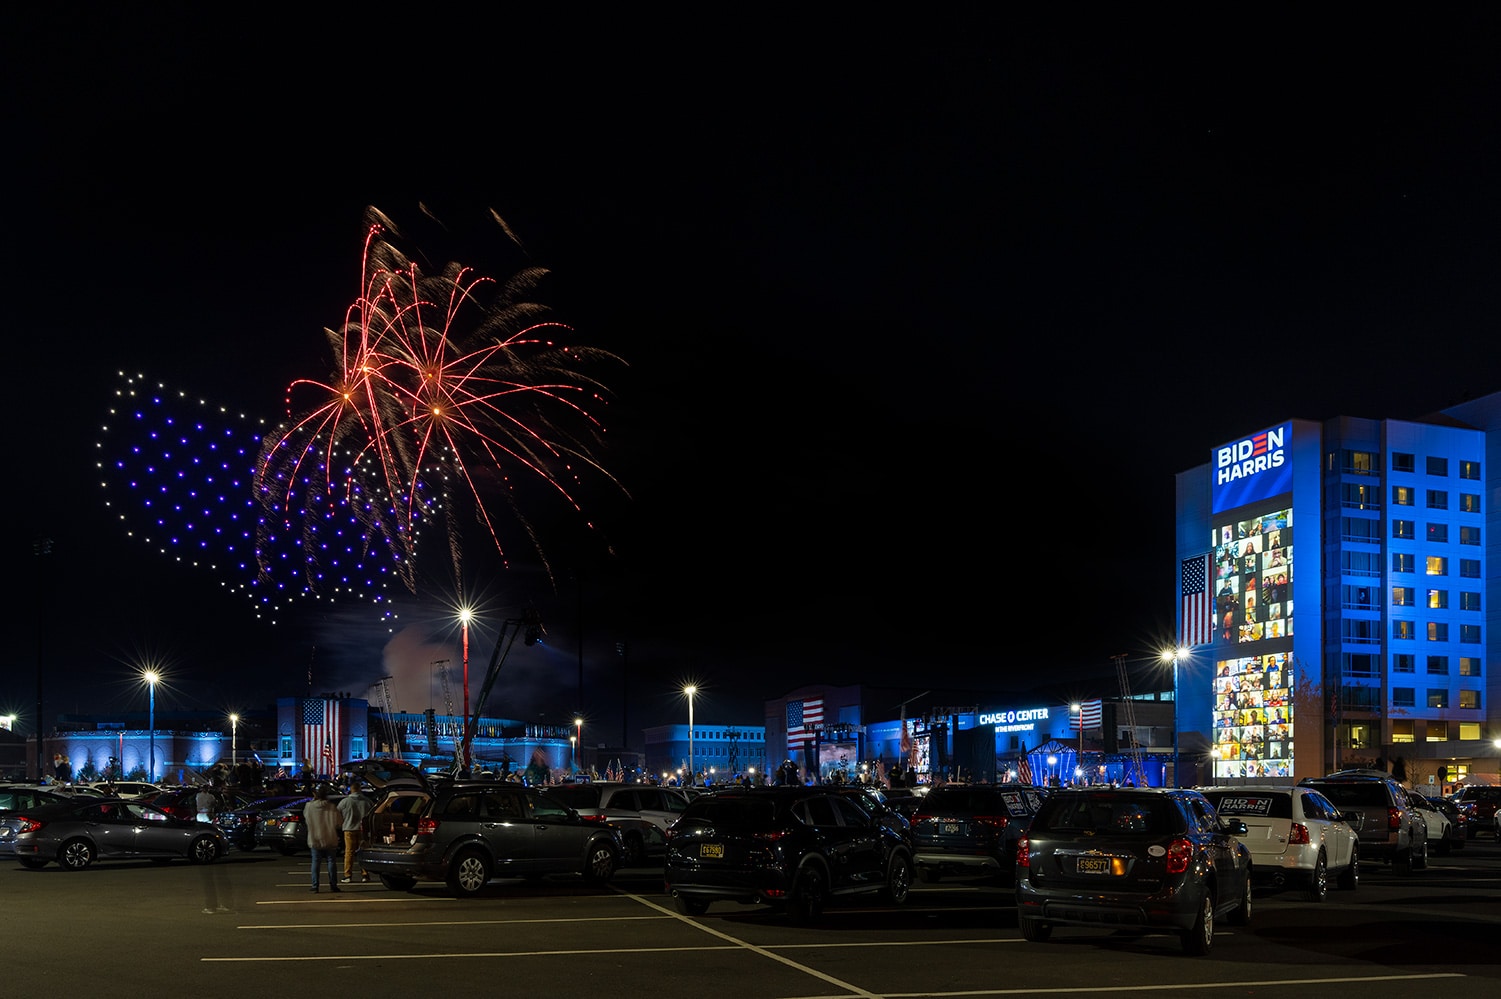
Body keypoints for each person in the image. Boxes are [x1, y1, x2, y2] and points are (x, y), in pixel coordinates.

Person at [304, 784, 342, 893]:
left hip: (315, 837)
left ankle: (315, 886)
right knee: (331, 862)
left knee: (315, 862)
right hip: (330, 837)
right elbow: (339, 823)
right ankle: (333, 885)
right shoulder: (331, 807)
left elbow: (307, 820)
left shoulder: (309, 807)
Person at [338, 789, 374, 883]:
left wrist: (343, 822)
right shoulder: (367, 801)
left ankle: (348, 875)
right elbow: (373, 813)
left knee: (349, 852)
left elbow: (338, 812)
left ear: (351, 790)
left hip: (349, 829)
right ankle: (365, 874)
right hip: (363, 830)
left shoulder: (345, 801)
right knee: (363, 852)